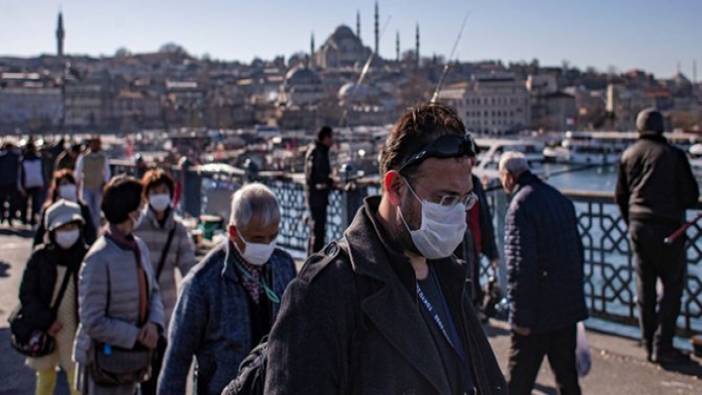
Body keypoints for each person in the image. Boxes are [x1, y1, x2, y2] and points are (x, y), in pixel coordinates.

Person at [265, 103, 506, 394]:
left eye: (465, 200)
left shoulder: (448, 271)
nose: (458, 215)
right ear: (395, 188)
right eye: (445, 199)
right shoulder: (324, 293)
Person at [158, 183, 296, 395]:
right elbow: (176, 362)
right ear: (233, 232)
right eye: (258, 238)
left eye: (273, 236)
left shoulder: (284, 266)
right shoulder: (202, 284)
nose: (267, 245)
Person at [615, 108, 700, 364]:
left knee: (645, 287)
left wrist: (630, 220)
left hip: (638, 227)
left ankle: (647, 342)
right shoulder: (673, 155)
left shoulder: (628, 154)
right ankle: (663, 346)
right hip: (669, 228)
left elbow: (621, 196)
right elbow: (690, 195)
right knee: (672, 288)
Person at [499, 152, 588, 395]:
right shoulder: (559, 199)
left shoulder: (520, 205)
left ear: (509, 176)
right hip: (566, 308)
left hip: (536, 312)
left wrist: (519, 317)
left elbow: (520, 265)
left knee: (518, 381)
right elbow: (577, 254)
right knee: (567, 379)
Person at [72, 175, 165, 395]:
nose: (144, 209)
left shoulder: (138, 246)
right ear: (130, 213)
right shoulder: (98, 257)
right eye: (141, 205)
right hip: (104, 365)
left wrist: (154, 324)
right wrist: (135, 336)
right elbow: (92, 320)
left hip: (134, 363)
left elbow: (153, 292)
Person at [134, 169, 197, 395]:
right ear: (146, 195)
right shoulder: (135, 227)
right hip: (137, 313)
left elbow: (189, 268)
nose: (160, 195)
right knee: (137, 375)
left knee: (162, 375)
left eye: (164, 191)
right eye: (155, 191)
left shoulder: (177, 229)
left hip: (167, 314)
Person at [19, 200, 89, 395]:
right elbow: (27, 294)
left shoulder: (88, 256)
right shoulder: (40, 257)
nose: (68, 232)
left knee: (77, 381)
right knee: (45, 379)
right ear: (51, 230)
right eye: (62, 228)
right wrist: (46, 321)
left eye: (72, 227)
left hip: (75, 328)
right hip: (46, 328)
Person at [464, 149, 501, 317]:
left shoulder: (475, 182)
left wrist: (492, 252)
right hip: (456, 247)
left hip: (474, 246)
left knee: (472, 286)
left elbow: (484, 218)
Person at [34, 169, 98, 247]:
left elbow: (90, 233)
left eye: (70, 183)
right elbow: (39, 235)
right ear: (57, 188)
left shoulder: (82, 208)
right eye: (64, 184)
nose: (68, 186)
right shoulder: (49, 209)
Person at [304, 125, 334, 255]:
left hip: (317, 196)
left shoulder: (318, 150)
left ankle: (314, 258)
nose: (332, 141)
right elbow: (313, 176)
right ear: (325, 137)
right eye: (331, 137)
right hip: (317, 197)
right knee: (318, 230)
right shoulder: (317, 152)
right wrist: (327, 181)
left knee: (316, 229)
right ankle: (314, 261)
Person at [74, 137, 110, 229]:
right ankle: (88, 229)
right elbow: (78, 172)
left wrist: (105, 183)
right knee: (88, 209)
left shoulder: (103, 158)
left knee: (97, 210)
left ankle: (96, 229)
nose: (95, 146)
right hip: (86, 187)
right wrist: (77, 185)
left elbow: (107, 172)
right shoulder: (83, 157)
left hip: (99, 187)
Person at [20, 142, 46, 226]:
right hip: (37, 182)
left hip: (26, 183)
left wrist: (21, 185)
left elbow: (21, 174)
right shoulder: (39, 158)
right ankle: (32, 219)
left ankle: (23, 219)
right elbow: (42, 171)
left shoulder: (23, 159)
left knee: (25, 202)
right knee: (35, 202)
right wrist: (43, 182)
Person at [0, 141, 22, 226]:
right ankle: (10, 218)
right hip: (13, 182)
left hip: (2, 182)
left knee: (1, 201)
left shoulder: (1, 157)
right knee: (13, 201)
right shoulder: (16, 157)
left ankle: (2, 215)